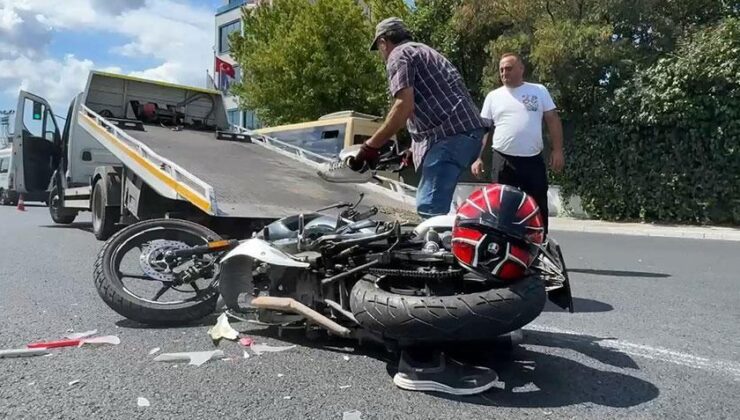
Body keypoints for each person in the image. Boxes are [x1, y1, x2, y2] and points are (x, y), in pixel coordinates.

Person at [320, 17, 486, 220]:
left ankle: (439, 248)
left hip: (451, 137)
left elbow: (403, 106)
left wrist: (370, 147)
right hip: (467, 134)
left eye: (380, 48)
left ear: (383, 42)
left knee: (429, 208)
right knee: (443, 205)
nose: (381, 54)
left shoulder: (398, 54)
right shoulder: (425, 51)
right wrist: (412, 149)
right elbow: (436, 102)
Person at [472, 53, 565, 235]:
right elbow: (484, 130)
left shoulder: (538, 91)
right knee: (501, 208)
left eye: (508, 68)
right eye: (501, 70)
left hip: (532, 160)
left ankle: (539, 247)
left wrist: (558, 150)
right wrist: (477, 157)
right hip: (503, 160)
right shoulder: (493, 96)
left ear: (521, 69)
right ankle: (501, 248)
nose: (504, 73)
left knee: (537, 206)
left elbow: (552, 119)